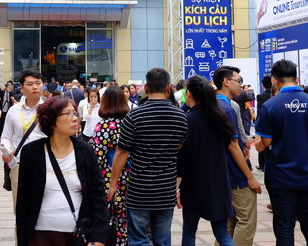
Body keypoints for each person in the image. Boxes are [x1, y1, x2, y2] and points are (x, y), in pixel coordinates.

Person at [254, 59, 308, 245]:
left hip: (282, 177)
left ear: (274, 80)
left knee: (284, 227)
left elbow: (265, 142)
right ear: (297, 79)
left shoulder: (270, 106)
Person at [107, 68, 188, 246]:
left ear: (146, 88)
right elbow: (179, 148)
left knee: (138, 239)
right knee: (162, 239)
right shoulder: (180, 116)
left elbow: (122, 152)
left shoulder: (134, 115)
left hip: (139, 190)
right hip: (166, 190)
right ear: (169, 88)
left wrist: (113, 184)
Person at [16, 96, 108, 246]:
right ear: (51, 120)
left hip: (78, 235)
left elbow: (97, 196)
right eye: (68, 114)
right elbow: (23, 203)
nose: (75, 119)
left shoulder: (85, 151)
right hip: (40, 235)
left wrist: (98, 238)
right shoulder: (31, 153)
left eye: (75, 113)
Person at [177, 75, 238, 246]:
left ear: (189, 94)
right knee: (222, 233)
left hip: (194, 183)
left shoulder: (188, 120)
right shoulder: (219, 117)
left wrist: (176, 187)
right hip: (219, 181)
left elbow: (183, 157)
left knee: (189, 231)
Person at [212, 66, 261, 246]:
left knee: (229, 223)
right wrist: (249, 177)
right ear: (226, 82)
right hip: (235, 175)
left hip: (219, 174)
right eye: (238, 81)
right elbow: (232, 146)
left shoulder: (211, 106)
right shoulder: (227, 109)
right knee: (246, 220)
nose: (241, 85)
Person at [91, 85, 130, 246]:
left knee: (112, 218)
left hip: (109, 178)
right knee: (128, 219)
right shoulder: (130, 123)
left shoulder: (104, 126)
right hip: (131, 177)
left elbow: (97, 157)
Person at [1, 69, 47, 209]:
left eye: (38, 83)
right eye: (30, 84)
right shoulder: (14, 111)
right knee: (21, 208)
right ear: (21, 87)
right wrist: (7, 151)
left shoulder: (50, 109)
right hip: (19, 165)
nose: (35, 87)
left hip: (46, 165)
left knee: (45, 207)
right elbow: (6, 137)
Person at [255, 76, 272, 171]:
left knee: (261, 142)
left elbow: (260, 111)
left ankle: (262, 164)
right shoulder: (274, 94)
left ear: (263, 85)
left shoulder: (260, 96)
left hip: (263, 121)